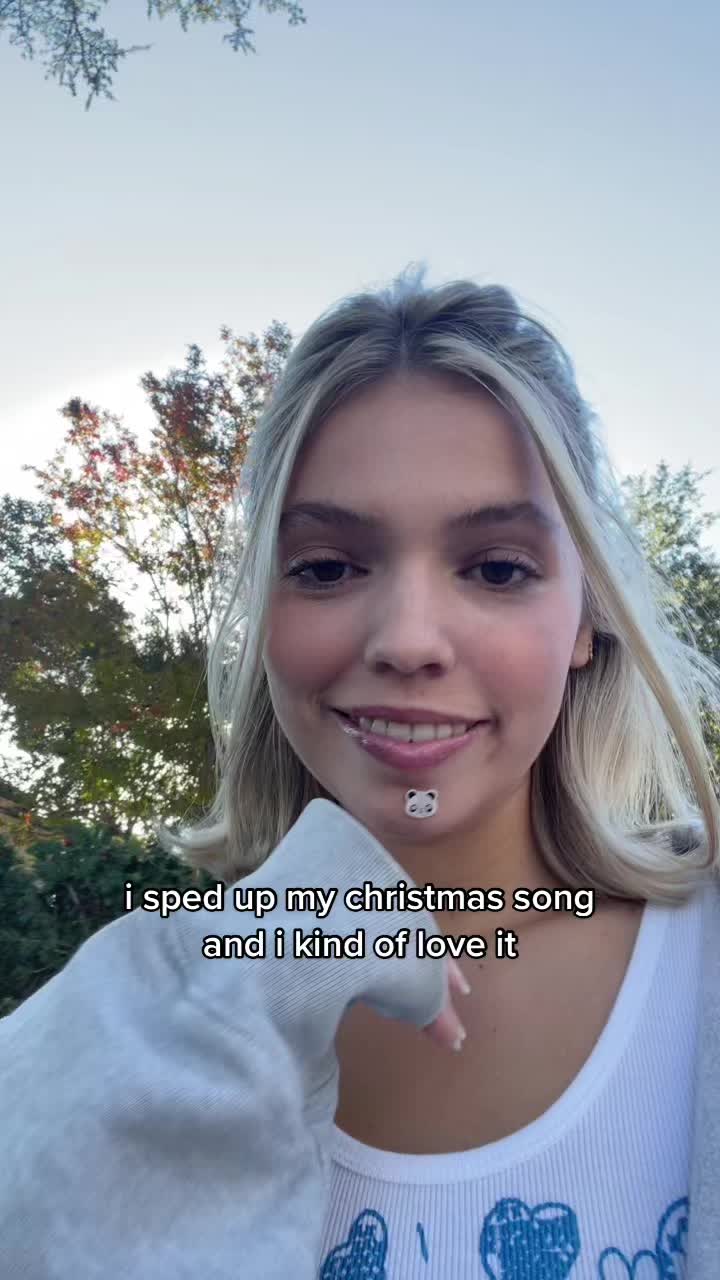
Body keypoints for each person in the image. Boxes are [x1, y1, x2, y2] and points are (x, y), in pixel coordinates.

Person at [2, 267, 720, 1279]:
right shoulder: (136, 1032)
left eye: (497, 567)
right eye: (329, 567)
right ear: (267, 617)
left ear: (586, 618)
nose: (408, 639)